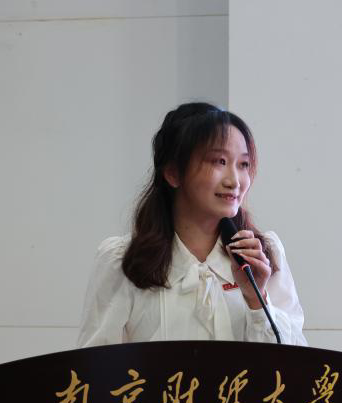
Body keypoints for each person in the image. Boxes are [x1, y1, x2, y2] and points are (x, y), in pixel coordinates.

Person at [77, 102, 307, 347]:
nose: (235, 181)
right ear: (173, 173)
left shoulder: (264, 254)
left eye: (243, 164)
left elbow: (294, 363)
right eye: (219, 161)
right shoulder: (123, 260)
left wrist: (256, 297)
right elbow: (96, 364)